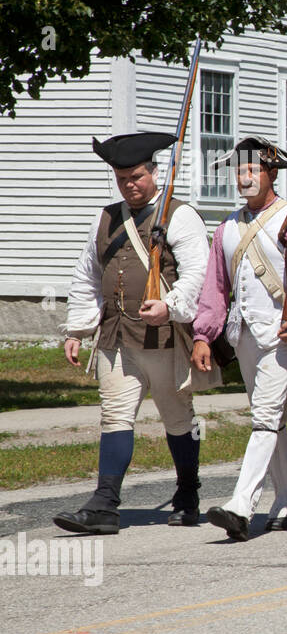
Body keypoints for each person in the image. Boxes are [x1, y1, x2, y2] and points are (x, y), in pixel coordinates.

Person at [56, 132, 219, 535]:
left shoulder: (179, 215)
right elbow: (88, 275)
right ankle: (105, 505)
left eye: (136, 176)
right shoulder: (105, 218)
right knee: (114, 417)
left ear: (154, 172)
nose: (130, 184)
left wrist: (171, 306)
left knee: (179, 419)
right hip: (116, 337)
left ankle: (187, 494)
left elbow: (199, 274)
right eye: (122, 177)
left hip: (164, 339)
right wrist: (78, 327)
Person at [193, 137, 287, 540]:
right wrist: (203, 335)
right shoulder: (227, 228)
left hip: (285, 336)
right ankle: (286, 501)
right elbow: (215, 288)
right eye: (239, 170)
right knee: (273, 423)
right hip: (244, 336)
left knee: (265, 417)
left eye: (253, 169)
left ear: (272, 174)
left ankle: (240, 505)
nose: (244, 177)